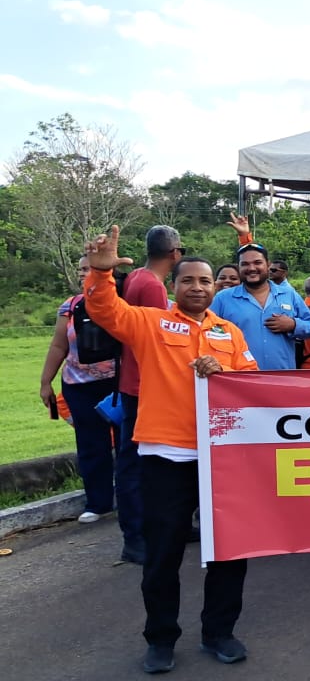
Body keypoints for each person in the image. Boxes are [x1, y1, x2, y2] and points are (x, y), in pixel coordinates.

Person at [83, 226, 258, 675]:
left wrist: (224, 372)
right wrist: (101, 274)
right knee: (163, 553)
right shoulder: (150, 323)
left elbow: (252, 383)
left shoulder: (230, 333)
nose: (198, 287)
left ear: (215, 287)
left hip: (221, 458)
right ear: (173, 286)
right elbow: (104, 310)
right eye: (188, 280)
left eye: (205, 281)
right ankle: (160, 638)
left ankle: (219, 632)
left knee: (228, 551)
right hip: (167, 456)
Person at [115, 224, 185, 565]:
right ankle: (136, 536)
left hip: (133, 381)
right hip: (143, 385)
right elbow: (162, 342)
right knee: (136, 463)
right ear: (175, 254)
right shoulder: (153, 287)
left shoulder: (137, 279)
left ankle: (159, 527)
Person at [38, 256, 119, 524]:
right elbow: (58, 346)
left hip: (118, 383)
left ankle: (133, 499)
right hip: (78, 385)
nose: (86, 273)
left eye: (91, 268)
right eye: (82, 269)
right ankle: (98, 503)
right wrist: (45, 382)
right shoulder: (70, 306)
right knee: (91, 444)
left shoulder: (123, 302)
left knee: (127, 442)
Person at [210, 242, 310, 370]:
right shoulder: (223, 298)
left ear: (268, 264)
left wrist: (293, 325)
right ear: (238, 267)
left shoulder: (289, 294)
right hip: (240, 379)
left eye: (257, 263)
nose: (251, 268)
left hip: (283, 378)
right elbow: (207, 331)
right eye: (245, 264)